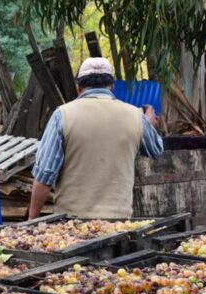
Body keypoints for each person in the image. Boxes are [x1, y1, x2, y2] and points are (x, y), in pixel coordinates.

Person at [28, 57, 164, 219]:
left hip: (71, 223)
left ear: (79, 87)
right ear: (112, 86)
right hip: (119, 222)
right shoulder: (136, 116)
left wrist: (32, 219)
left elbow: (45, 174)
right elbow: (156, 149)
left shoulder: (62, 116)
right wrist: (147, 124)